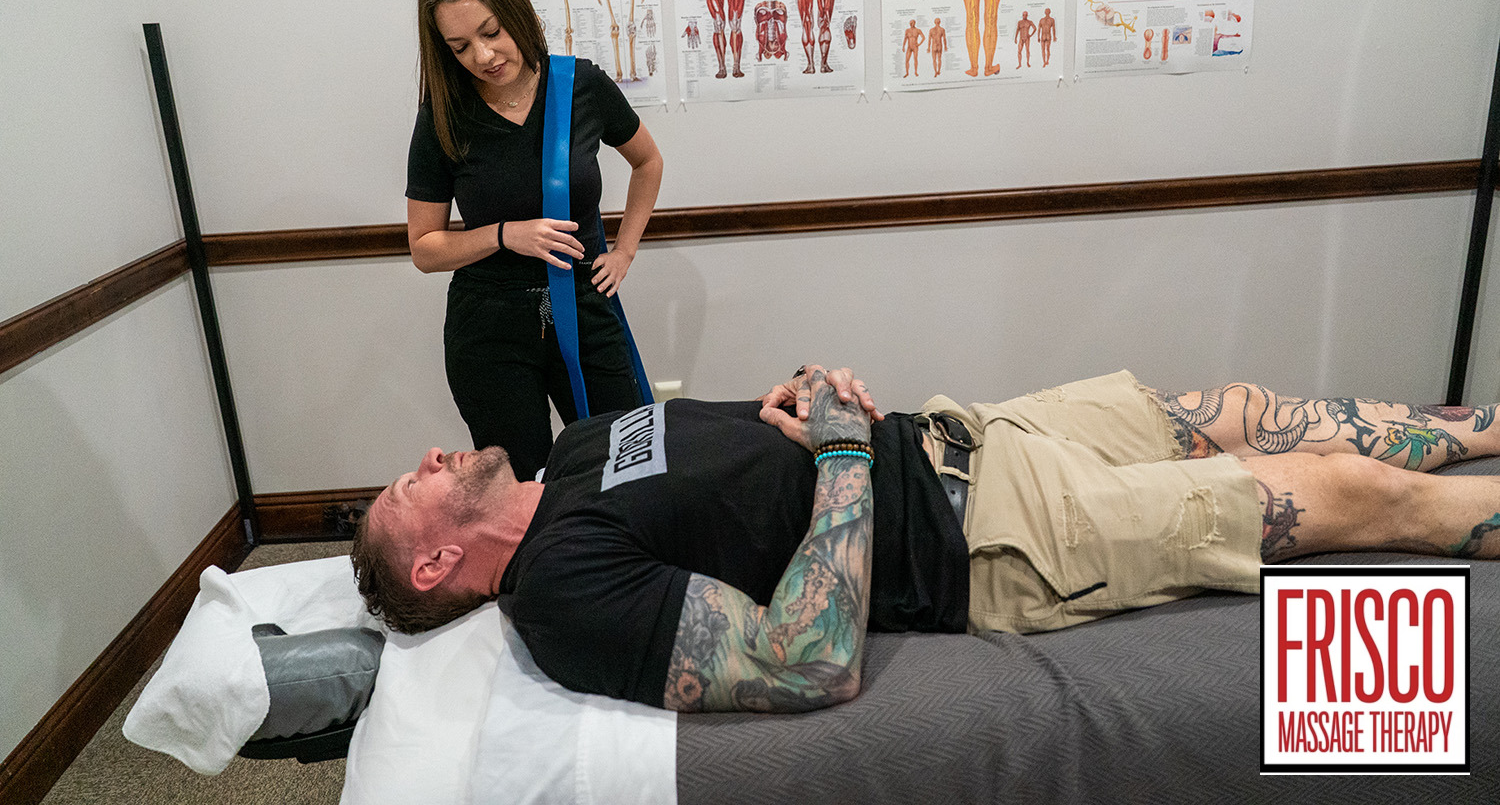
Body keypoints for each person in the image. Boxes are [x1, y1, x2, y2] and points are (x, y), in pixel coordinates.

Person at [352, 363, 1500, 713]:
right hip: (988, 537)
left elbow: (734, 452)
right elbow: (807, 657)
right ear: (438, 563)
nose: (432, 455)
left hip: (960, 436)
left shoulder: (582, 448)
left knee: (1240, 409)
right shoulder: (561, 593)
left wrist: (800, 402)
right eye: (413, 486)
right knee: (1331, 490)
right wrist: (845, 453)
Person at [405, 0, 664, 480]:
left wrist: (625, 251)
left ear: (516, 13)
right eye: (460, 47)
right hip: (490, 329)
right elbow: (425, 248)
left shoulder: (581, 86)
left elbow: (648, 161)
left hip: (585, 306)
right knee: (520, 490)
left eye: (492, 31)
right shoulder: (443, 116)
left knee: (625, 468)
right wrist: (504, 235)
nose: (483, 55)